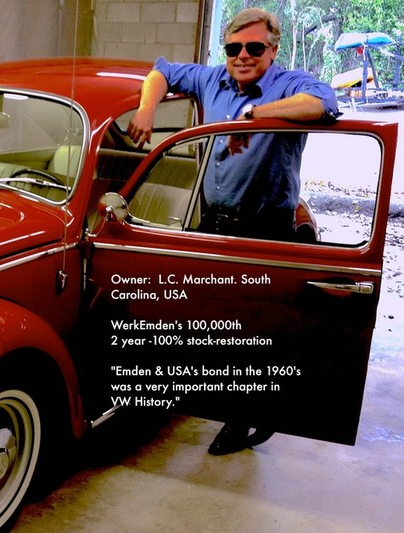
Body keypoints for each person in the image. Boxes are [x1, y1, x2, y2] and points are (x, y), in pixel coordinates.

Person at [126, 8, 340, 455]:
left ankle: (244, 418)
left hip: (266, 229)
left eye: (254, 48)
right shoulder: (211, 79)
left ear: (273, 50)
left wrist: (253, 114)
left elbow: (324, 104)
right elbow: (161, 72)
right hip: (214, 224)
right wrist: (146, 109)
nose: (243, 56)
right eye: (233, 48)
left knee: (255, 329)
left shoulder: (289, 84)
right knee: (216, 323)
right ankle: (223, 400)